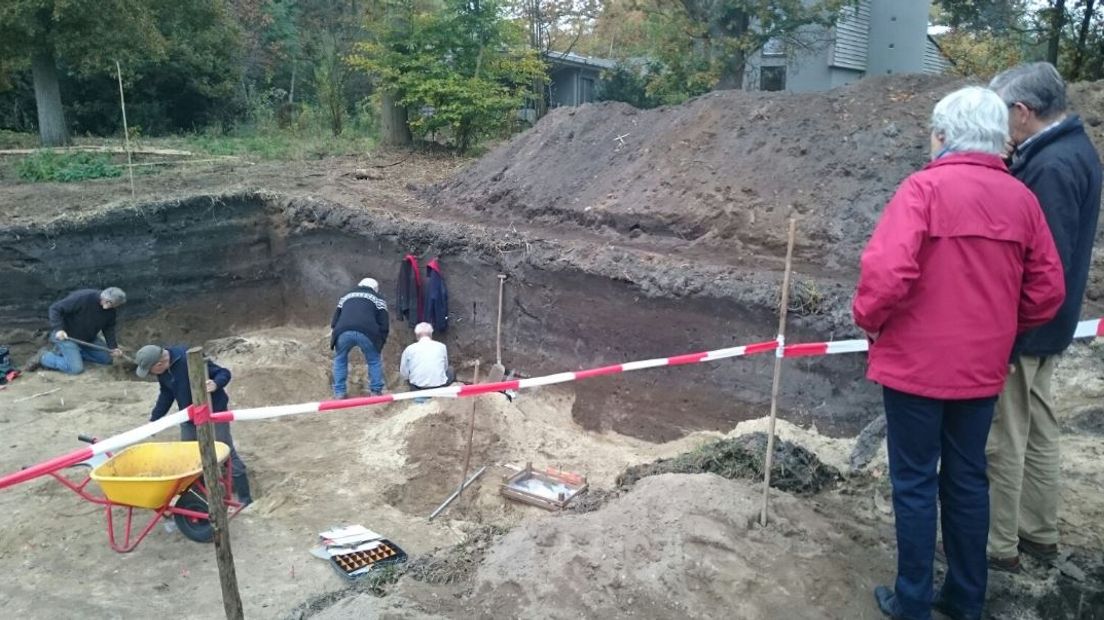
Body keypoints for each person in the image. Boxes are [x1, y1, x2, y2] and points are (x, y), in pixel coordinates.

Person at [853, 87, 1065, 620]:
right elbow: (1047, 292)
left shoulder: (923, 190)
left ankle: (913, 600)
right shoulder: (1022, 199)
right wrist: (1001, 330)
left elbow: (885, 276)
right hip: (980, 370)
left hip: (915, 369)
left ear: (944, 135)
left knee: (915, 482)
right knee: (969, 479)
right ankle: (967, 599)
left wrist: (869, 322)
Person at [986, 62, 1103, 572]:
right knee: (1039, 430)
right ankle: (1039, 532)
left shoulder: (1051, 167)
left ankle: (999, 545)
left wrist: (1010, 338)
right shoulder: (1071, 152)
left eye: (1001, 115)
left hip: (1029, 328)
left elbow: (1039, 262)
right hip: (1052, 324)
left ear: (1022, 111)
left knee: (1005, 437)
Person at [134, 344, 253, 506]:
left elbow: (223, 373)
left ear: (159, 364)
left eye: (150, 370)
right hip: (189, 416)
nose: (150, 374)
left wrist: (216, 384)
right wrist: (154, 420)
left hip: (213, 411)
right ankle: (201, 496)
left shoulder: (188, 360)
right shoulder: (163, 371)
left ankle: (245, 499)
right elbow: (166, 394)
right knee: (189, 455)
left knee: (225, 453)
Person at [25, 287, 127, 374]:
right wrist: (59, 329)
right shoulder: (83, 298)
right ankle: (44, 357)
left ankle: (74, 353)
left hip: (87, 339)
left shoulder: (110, 311)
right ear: (108, 301)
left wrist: (113, 347)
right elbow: (55, 309)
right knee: (75, 369)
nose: (115, 308)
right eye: (114, 305)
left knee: (106, 359)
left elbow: (108, 328)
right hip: (67, 337)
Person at [331, 277, 390, 398]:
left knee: (340, 359)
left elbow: (335, 319)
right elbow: (384, 322)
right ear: (375, 289)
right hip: (368, 332)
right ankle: (376, 392)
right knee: (374, 360)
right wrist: (380, 341)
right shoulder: (378, 298)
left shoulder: (346, 295)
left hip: (343, 331)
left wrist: (335, 334)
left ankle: (339, 392)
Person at [400, 322, 455, 390]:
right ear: (431, 334)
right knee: (450, 370)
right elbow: (445, 367)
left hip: (418, 387)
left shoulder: (409, 349)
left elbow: (403, 372)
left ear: (416, 335)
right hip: (439, 386)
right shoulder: (442, 346)